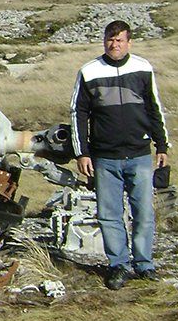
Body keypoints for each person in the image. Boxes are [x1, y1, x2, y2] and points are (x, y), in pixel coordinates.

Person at [70, 20, 169, 290]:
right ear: (104, 41)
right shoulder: (89, 71)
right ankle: (118, 265)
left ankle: (144, 264)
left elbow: (154, 108)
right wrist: (82, 153)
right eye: (110, 40)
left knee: (143, 213)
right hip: (105, 157)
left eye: (120, 40)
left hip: (139, 154)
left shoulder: (142, 68)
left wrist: (162, 146)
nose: (114, 45)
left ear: (129, 42)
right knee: (109, 215)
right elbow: (78, 113)